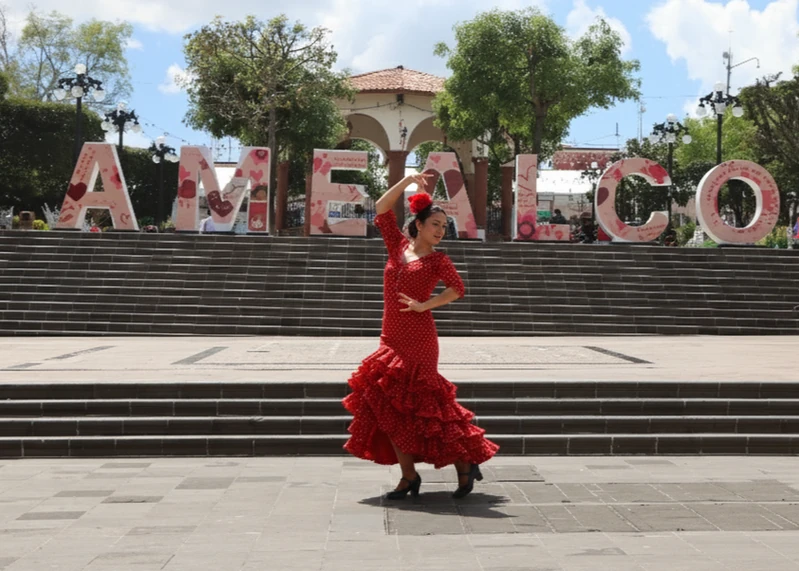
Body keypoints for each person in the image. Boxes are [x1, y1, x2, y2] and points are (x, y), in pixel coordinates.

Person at [342, 173, 499, 500]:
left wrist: (425, 304)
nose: (441, 231)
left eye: (444, 226)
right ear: (419, 224)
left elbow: (457, 288)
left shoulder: (438, 260)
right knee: (390, 408)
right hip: (390, 337)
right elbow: (382, 208)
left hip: (420, 338)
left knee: (428, 407)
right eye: (435, 224)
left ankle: (464, 462)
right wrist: (407, 181)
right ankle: (409, 476)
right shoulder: (396, 245)